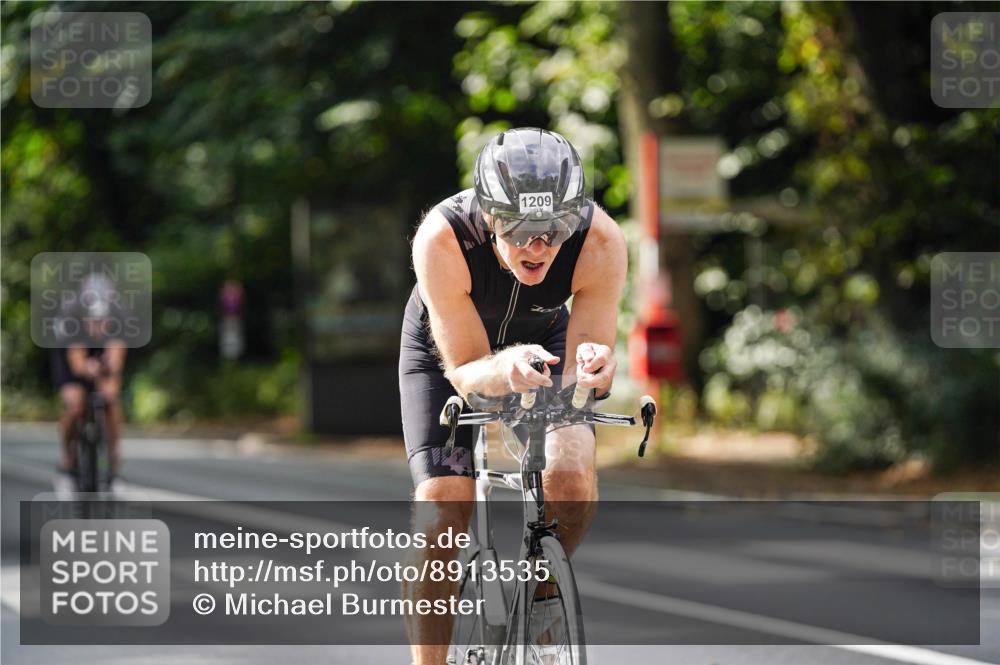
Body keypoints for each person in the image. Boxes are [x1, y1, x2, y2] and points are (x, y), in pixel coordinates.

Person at [398, 127, 627, 665]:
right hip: (450, 351)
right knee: (442, 505)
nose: (538, 246)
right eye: (521, 230)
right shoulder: (443, 239)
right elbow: (464, 369)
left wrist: (596, 368)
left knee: (571, 478)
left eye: (553, 229)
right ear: (490, 217)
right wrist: (505, 367)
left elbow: (585, 361)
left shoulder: (600, 241)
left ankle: (544, 596)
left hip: (544, 339)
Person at [51, 272, 127, 495]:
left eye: (103, 322)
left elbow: (116, 357)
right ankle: (67, 464)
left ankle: (113, 471)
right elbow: (77, 364)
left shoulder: (119, 315)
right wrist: (88, 369)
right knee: (75, 405)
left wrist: (108, 375)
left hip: (101, 353)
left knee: (111, 401)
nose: (98, 326)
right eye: (94, 321)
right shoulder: (71, 315)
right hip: (69, 354)